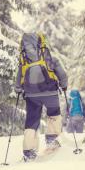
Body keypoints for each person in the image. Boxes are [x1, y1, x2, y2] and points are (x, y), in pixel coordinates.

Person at [15, 33, 68, 162]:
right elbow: (62, 73)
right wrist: (64, 85)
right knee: (53, 114)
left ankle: (29, 151)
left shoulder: (24, 61)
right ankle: (52, 141)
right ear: (41, 43)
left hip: (31, 95)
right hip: (50, 92)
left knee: (32, 121)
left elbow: (18, 79)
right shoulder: (49, 58)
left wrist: (18, 89)